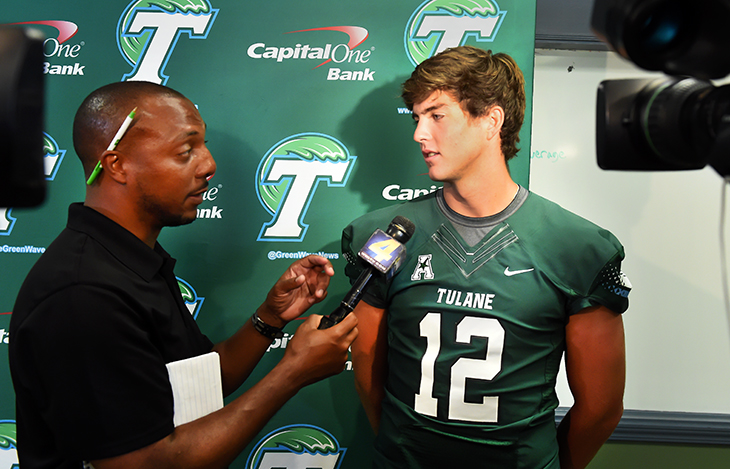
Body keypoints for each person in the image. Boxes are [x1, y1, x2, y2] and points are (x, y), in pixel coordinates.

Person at [8, 81, 358, 469]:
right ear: (117, 165)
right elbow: (147, 464)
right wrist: (291, 373)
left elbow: (196, 386)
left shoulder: (132, 260)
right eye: (185, 151)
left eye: (203, 147)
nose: (208, 165)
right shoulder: (84, 294)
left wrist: (269, 318)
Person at [344, 46, 629, 469]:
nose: (419, 134)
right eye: (417, 117)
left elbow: (601, 407)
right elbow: (368, 367)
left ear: (491, 120)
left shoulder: (576, 248)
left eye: (437, 116)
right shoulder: (383, 235)